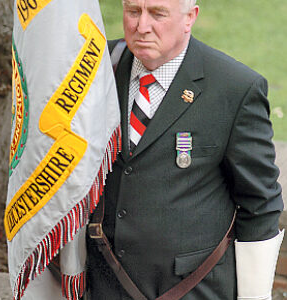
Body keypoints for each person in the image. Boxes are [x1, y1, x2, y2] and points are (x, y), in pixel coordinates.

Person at [86, 0, 284, 299]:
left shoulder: (234, 89)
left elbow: (260, 204)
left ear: (190, 17)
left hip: (192, 287)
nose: (141, 26)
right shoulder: (94, 70)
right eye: (133, 11)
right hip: (105, 283)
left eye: (157, 13)